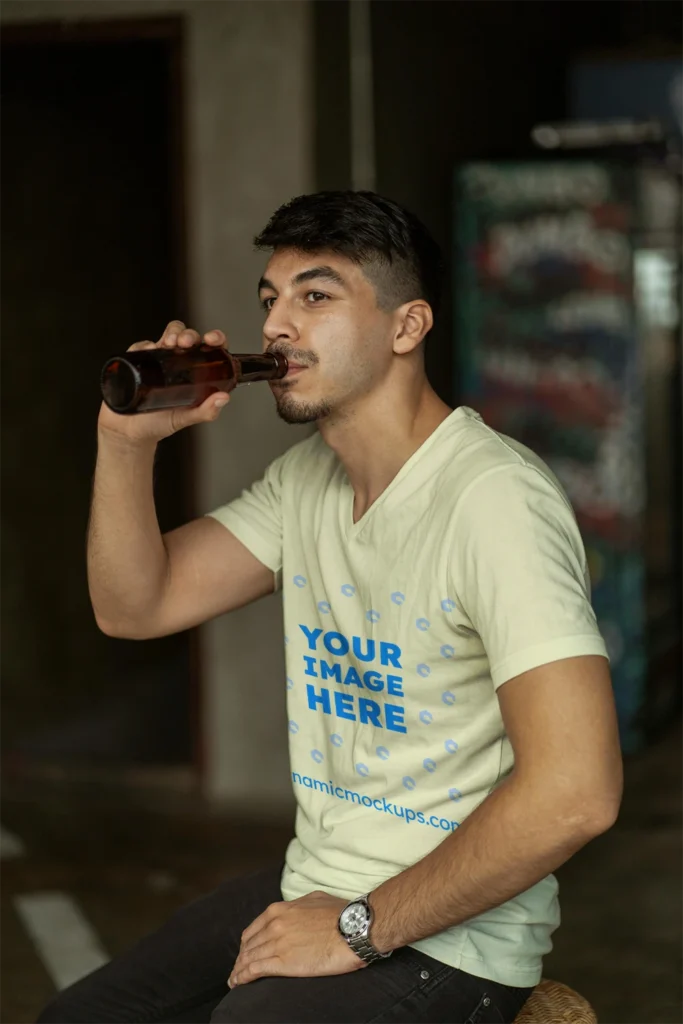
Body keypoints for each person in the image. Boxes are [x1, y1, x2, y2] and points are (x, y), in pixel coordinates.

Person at [41, 191, 622, 1024]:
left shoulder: (493, 503)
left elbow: (576, 792)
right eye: (270, 300)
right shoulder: (303, 483)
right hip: (314, 880)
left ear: (406, 326)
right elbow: (137, 606)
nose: (278, 325)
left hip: (449, 943)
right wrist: (125, 444)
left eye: (316, 297)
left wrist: (359, 929)